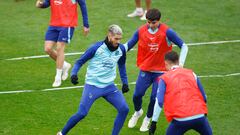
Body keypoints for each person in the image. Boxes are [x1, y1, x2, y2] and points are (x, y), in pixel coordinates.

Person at [56, 25, 130, 135]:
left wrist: (125, 82)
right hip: (92, 86)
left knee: (124, 109)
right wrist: (74, 74)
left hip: (109, 86)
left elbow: (122, 65)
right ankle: (62, 133)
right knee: (82, 113)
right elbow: (79, 62)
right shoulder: (96, 48)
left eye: (120, 39)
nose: (118, 42)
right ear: (109, 36)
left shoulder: (121, 49)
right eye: (116, 39)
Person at [125, 8, 188, 132]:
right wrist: (117, 52)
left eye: (153, 23)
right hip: (146, 69)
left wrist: (180, 64)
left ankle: (147, 119)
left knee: (154, 98)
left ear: (159, 21)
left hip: (162, 72)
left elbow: (184, 46)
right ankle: (138, 112)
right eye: (148, 22)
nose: (150, 25)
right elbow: (128, 45)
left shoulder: (167, 32)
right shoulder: (141, 31)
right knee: (137, 95)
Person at [149, 51, 212, 135]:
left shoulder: (164, 78)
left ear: (166, 63)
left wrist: (154, 122)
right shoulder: (192, 73)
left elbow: (159, 102)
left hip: (180, 120)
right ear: (178, 61)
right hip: (200, 116)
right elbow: (204, 97)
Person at [36, 0, 90, 87]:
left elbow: (83, 5)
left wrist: (86, 24)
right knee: (47, 49)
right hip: (54, 24)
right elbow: (48, 2)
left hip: (67, 25)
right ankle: (65, 65)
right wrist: (41, 5)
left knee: (59, 48)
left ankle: (58, 77)